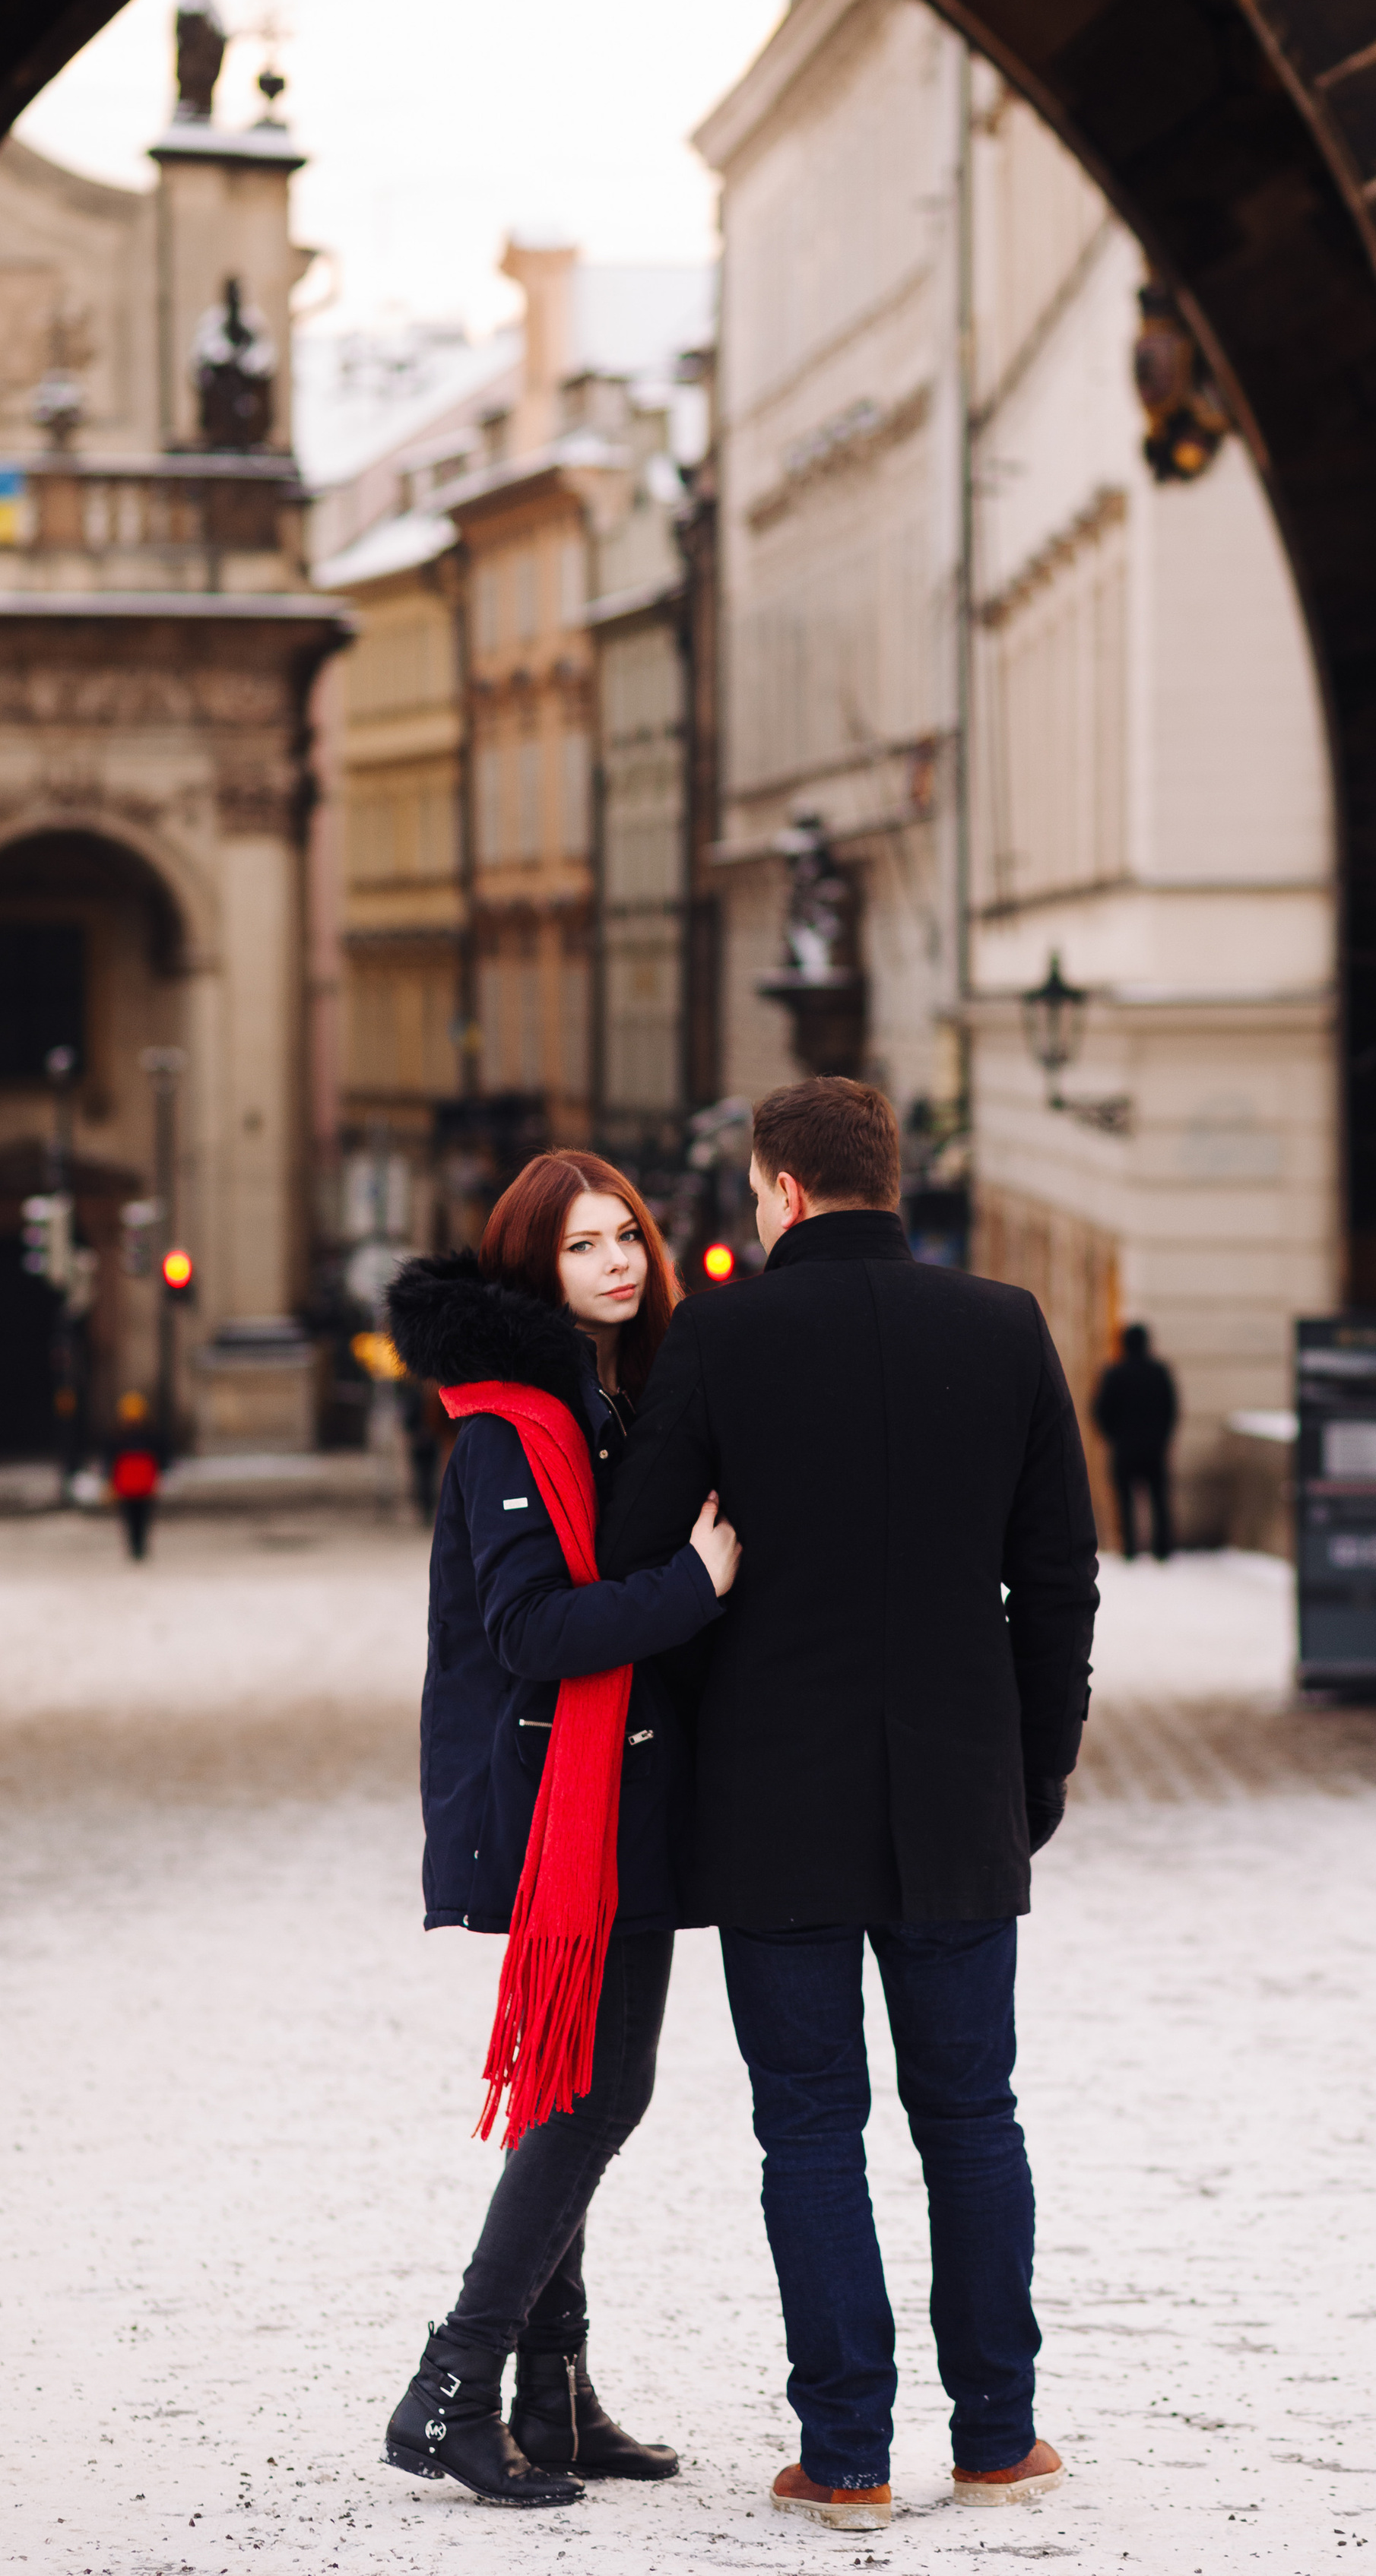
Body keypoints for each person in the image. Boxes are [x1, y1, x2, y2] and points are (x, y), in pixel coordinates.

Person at [602, 1077, 1098, 2531]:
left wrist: (704, 1739)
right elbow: (1057, 1576)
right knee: (973, 2119)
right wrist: (1037, 1767)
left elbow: (653, 1572)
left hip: (775, 1803)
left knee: (810, 2130)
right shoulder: (1003, 1327)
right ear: (887, 1179)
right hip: (960, 1795)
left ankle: (849, 2457)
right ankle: (999, 2437)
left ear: (782, 1190)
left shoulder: (723, 1340)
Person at [379, 1152, 741, 2511]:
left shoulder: (596, 1401)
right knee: (595, 2093)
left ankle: (553, 2393)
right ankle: (456, 2383)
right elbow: (531, 1629)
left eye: (629, 1236)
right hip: (561, 1803)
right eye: (586, 1245)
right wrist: (691, 1585)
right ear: (536, 1270)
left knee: (574, 2089)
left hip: (609, 1790)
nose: (619, 1262)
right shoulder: (509, 1428)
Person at [1091, 1323, 1178, 1563]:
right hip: (1154, 1448)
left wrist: (1114, 1437)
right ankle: (1162, 1549)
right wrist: (1161, 1437)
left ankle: (1129, 1548)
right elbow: (1171, 1409)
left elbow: (1100, 1411)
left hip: (1125, 1448)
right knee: (1159, 1501)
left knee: (1125, 1501)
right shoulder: (1159, 1372)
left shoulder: (1115, 1374)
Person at [109, 1392, 159, 1561]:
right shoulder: (121, 1437)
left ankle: (138, 1547)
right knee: (134, 1518)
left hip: (141, 1484)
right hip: (130, 1484)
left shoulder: (121, 1437)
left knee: (138, 1518)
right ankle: (136, 1547)